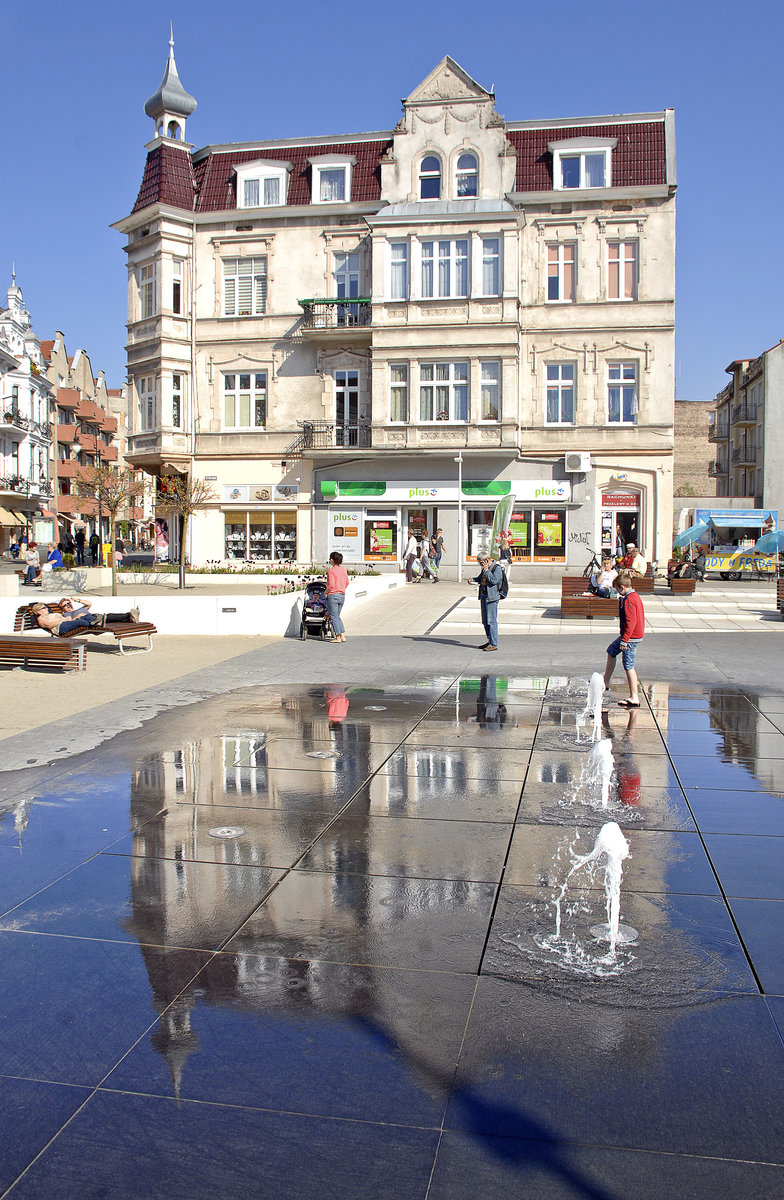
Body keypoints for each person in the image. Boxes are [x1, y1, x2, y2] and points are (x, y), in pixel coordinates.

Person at [603, 571, 645, 708]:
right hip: (630, 635)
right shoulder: (634, 596)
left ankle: (634, 697)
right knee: (611, 651)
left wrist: (625, 640)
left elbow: (631, 621)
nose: (617, 592)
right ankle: (605, 682)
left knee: (629, 665)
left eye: (617, 589)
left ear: (622, 587)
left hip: (631, 637)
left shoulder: (629, 600)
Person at [30, 598, 140, 636]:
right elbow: (49, 625)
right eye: (43, 608)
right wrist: (66, 619)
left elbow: (88, 604)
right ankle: (95, 622)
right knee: (83, 621)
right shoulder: (41, 619)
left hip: (69, 621)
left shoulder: (53, 614)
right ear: (38, 612)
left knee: (92, 618)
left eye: (45, 607)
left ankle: (128, 617)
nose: (45, 609)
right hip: (61, 627)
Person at [468, 554, 504, 651]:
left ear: (487, 560)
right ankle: (490, 640)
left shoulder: (497, 568)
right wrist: (473, 579)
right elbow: (481, 578)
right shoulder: (484, 569)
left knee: (491, 621)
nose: (480, 564)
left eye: (481, 562)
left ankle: (493, 643)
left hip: (492, 597)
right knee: (485, 621)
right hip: (484, 596)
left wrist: (487, 570)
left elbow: (494, 580)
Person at [326, 551, 349, 643]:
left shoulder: (331, 571)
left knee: (334, 617)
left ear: (332, 560)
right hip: (342, 595)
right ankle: (342, 635)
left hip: (333, 595)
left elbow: (331, 584)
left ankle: (338, 637)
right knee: (337, 616)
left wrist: (325, 592)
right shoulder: (343, 569)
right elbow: (347, 582)